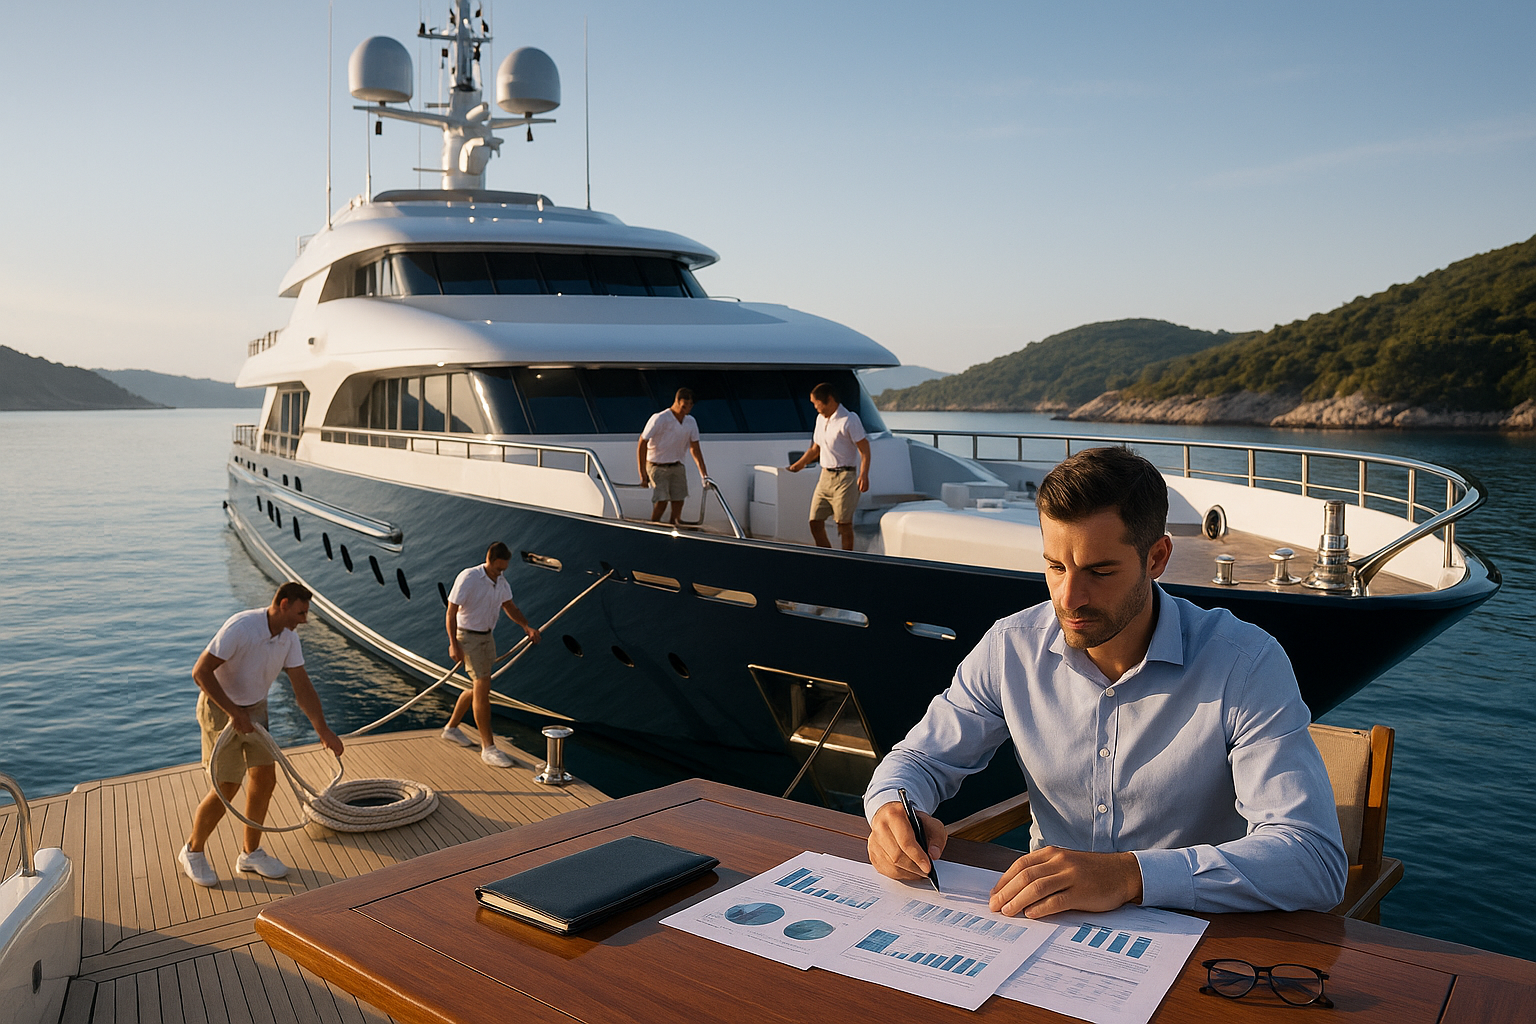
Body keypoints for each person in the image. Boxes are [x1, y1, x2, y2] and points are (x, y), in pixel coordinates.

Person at [865, 446, 1347, 917]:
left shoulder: (1245, 664)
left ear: (1157, 558)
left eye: (1099, 571)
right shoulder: (1010, 647)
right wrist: (891, 810)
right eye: (1056, 567)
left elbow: (1313, 860)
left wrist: (1129, 876)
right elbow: (919, 759)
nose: (1069, 597)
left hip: (1197, 939)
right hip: (1041, 925)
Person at [177, 582, 345, 887]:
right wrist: (232, 711)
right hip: (220, 709)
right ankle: (193, 851)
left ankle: (250, 853)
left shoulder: (289, 638)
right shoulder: (242, 627)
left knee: (265, 780)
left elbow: (302, 687)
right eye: (300, 612)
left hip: (254, 709)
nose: (304, 620)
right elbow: (200, 672)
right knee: (226, 787)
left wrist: (324, 730)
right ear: (282, 604)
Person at [441, 541, 542, 766]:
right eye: (498, 568)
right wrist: (453, 644)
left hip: (487, 637)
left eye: (504, 569)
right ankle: (488, 748)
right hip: (467, 637)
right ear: (489, 559)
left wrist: (526, 627)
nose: (500, 572)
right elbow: (451, 612)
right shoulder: (468, 577)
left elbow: (510, 607)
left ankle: (451, 728)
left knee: (479, 686)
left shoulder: (501, 582)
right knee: (483, 689)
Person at [785, 382, 871, 550]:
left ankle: (847, 560)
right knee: (814, 522)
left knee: (843, 524)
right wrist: (798, 465)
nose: (814, 407)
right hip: (825, 477)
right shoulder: (820, 419)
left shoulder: (849, 419)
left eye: (816, 403)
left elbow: (865, 449)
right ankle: (826, 555)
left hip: (845, 477)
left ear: (829, 400)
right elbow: (815, 449)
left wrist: (863, 474)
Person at [637, 388, 710, 526]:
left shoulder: (690, 422)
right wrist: (643, 474)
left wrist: (704, 474)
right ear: (677, 401)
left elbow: (695, 448)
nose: (686, 410)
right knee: (662, 499)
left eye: (690, 406)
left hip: (677, 464)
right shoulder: (659, 418)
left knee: (679, 498)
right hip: (656, 465)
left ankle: (675, 523)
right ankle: (654, 525)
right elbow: (642, 442)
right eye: (684, 406)